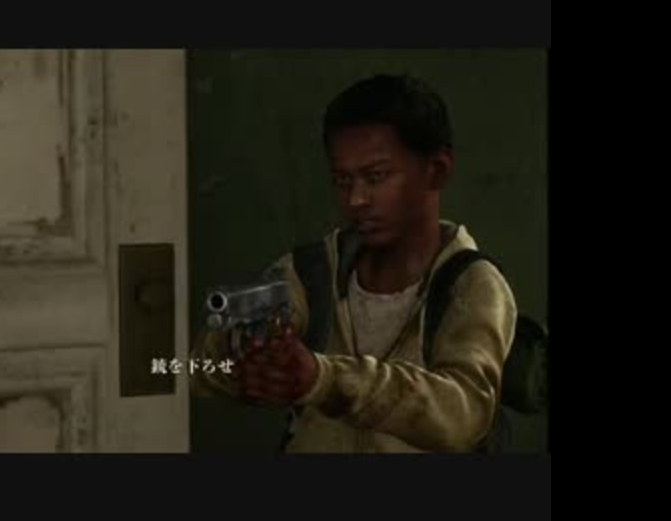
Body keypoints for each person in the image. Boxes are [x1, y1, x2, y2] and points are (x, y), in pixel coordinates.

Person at [189, 74, 517, 453]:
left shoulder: (472, 285)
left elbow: (462, 414)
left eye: (376, 177)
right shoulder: (309, 271)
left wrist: (323, 380)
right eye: (342, 180)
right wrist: (248, 356)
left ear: (437, 169)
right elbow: (198, 368)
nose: (356, 199)